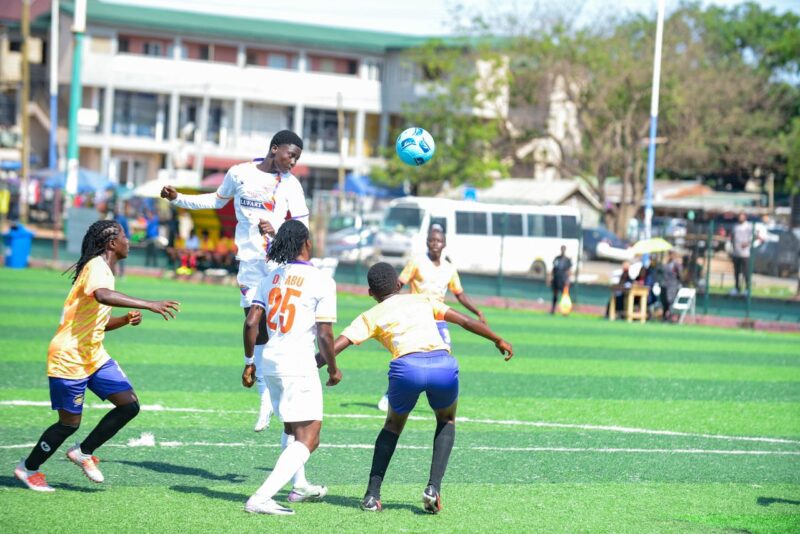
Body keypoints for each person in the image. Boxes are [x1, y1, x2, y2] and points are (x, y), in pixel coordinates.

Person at [322, 262, 512, 514]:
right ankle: (433, 489)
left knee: (392, 426)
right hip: (443, 366)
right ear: (398, 285)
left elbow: (334, 347)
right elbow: (465, 321)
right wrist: (497, 339)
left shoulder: (370, 315)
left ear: (370, 293)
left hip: (407, 369)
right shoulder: (422, 300)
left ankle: (372, 496)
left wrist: (318, 366)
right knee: (446, 420)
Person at [13, 220, 180, 492]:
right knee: (69, 424)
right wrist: (149, 304)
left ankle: (83, 452)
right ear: (112, 243)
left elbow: (97, 322)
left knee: (128, 405)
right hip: (69, 356)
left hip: (94, 354)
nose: (128, 241)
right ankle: (28, 469)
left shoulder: (103, 270)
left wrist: (124, 320)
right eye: (125, 236)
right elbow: (103, 295)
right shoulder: (97, 268)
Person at [161, 130, 309, 433]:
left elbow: (302, 226)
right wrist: (178, 199)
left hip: (279, 264)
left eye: (297, 158)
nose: (293, 162)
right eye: (290, 155)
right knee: (254, 325)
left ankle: (285, 391)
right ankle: (265, 397)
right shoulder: (240, 173)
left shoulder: (291, 184)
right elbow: (217, 201)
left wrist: (278, 229)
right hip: (250, 265)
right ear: (274, 148)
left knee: (279, 329)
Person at [241, 220, 339, 515]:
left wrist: (249, 362)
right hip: (298, 362)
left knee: (292, 429)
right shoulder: (321, 280)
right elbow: (325, 334)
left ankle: (300, 486)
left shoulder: (270, 278)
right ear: (307, 243)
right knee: (310, 437)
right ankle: (261, 497)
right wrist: (333, 368)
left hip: (270, 361)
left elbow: (251, 322)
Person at [373, 225, 486, 411]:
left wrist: (477, 311)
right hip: (416, 319)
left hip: (439, 319)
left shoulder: (449, 268)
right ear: (427, 242)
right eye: (432, 240)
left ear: (444, 244)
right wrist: (389, 305)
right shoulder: (417, 262)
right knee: (408, 357)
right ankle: (389, 395)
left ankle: (441, 398)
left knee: (445, 357)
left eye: (439, 241)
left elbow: (459, 294)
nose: (435, 244)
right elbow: (399, 284)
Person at [730, 212, 753, 295]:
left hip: (745, 253)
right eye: (739, 216)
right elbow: (732, 237)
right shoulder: (735, 226)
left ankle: (747, 289)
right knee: (736, 271)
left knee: (746, 272)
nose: (740, 218)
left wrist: (747, 243)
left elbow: (754, 236)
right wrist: (733, 246)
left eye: (742, 216)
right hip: (736, 252)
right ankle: (737, 288)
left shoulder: (749, 226)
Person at [659, 251, 682, 322]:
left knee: (670, 301)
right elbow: (660, 272)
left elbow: (680, 275)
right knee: (664, 301)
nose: (670, 256)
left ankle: (669, 316)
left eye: (672, 254)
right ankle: (664, 316)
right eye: (669, 254)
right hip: (664, 285)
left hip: (672, 286)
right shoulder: (665, 264)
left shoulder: (676, 265)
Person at [550, 245, 572, 314]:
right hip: (556, 278)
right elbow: (553, 268)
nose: (562, 250)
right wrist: (551, 277)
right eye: (562, 249)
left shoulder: (567, 260)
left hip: (563, 279)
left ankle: (565, 311)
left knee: (565, 295)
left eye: (564, 249)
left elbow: (569, 271)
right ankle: (553, 310)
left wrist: (567, 280)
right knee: (555, 295)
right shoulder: (557, 258)